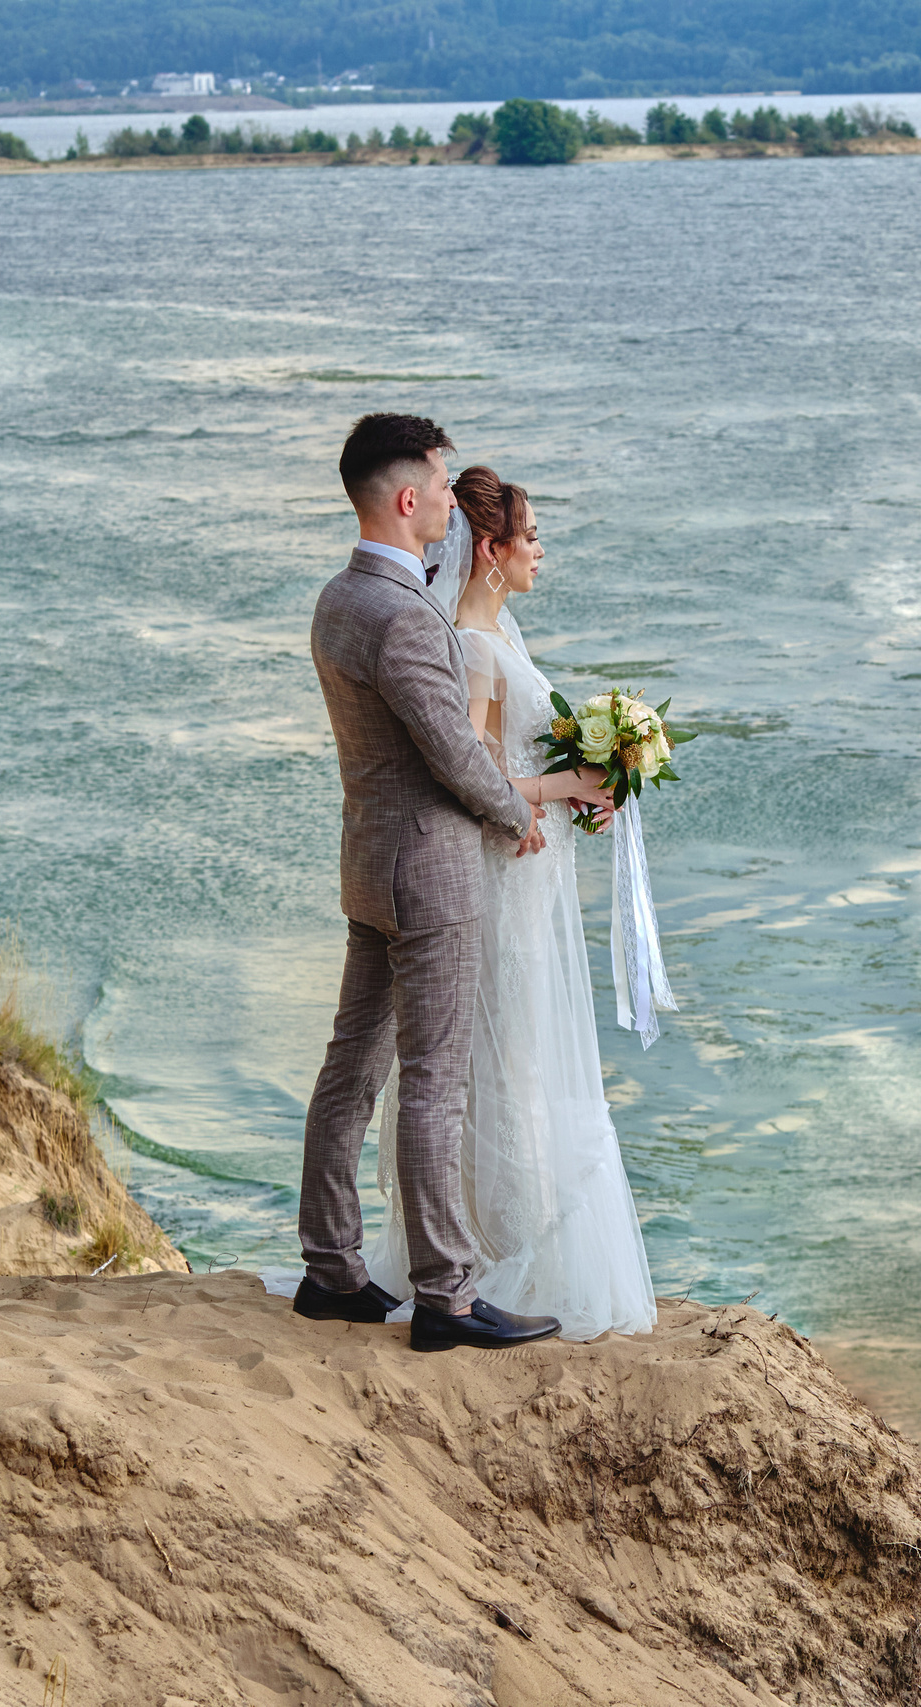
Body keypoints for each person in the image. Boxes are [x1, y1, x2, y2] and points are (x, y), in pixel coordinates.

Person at [294, 414, 603, 1352]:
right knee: (434, 1081)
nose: (447, 498)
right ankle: (447, 1296)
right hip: (429, 873)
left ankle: (330, 1268)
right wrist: (519, 814)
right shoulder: (403, 616)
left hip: (369, 862)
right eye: (436, 481)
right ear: (406, 499)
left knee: (352, 1067)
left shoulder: (338, 598)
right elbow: (457, 755)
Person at [356, 467, 659, 1341]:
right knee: (504, 1060)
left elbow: (509, 775)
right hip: (498, 881)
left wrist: (581, 795)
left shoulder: (499, 635)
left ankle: (495, 1243)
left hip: (530, 874)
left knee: (519, 1057)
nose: (540, 551)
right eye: (531, 537)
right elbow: (476, 780)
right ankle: (494, 1252)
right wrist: (567, 783)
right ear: (491, 549)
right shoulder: (473, 647)